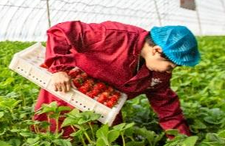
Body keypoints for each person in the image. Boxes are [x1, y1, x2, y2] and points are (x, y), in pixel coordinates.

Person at [34, 21, 200, 138]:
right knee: (55, 135)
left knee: (110, 142)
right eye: (170, 66)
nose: (169, 71)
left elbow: (166, 106)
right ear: (157, 50)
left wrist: (182, 141)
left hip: (106, 103)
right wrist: (59, 69)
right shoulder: (113, 35)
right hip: (69, 89)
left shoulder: (158, 74)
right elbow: (61, 31)